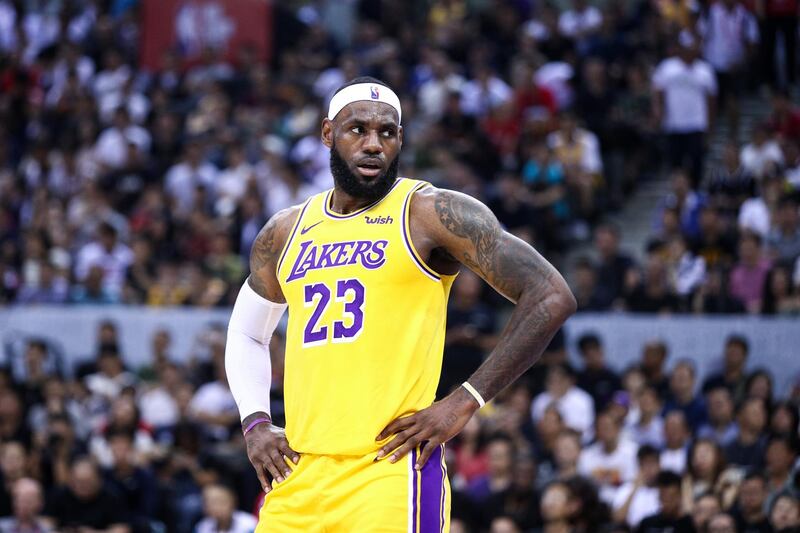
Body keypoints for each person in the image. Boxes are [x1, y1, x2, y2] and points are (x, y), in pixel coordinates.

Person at [224, 77, 576, 531]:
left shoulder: (429, 213)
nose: (373, 144)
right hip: (300, 473)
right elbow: (247, 332)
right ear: (328, 133)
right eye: (358, 130)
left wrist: (464, 401)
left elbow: (551, 294)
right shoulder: (285, 230)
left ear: (400, 139)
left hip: (390, 473)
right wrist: (255, 422)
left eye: (386, 133)